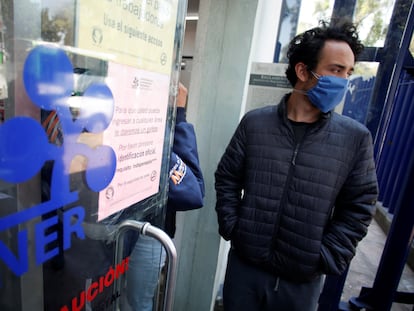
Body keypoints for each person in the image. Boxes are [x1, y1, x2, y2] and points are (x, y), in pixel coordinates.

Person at [214, 19, 378, 311]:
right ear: (303, 70)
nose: (343, 81)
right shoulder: (255, 123)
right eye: (336, 70)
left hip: (300, 284)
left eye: (349, 72)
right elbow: (227, 178)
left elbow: (359, 205)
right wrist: (233, 227)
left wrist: (325, 255)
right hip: (245, 271)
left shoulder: (354, 139)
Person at [126, 82, 205, 311]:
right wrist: (179, 113)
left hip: (148, 229)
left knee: (135, 302)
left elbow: (192, 191)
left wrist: (177, 115)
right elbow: (195, 190)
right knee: (123, 300)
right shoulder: (145, 124)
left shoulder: (158, 127)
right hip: (129, 230)